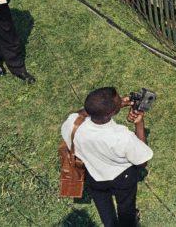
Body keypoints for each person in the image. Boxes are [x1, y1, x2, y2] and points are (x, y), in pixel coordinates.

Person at [61, 87, 152, 226]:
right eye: (119, 101)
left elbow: (82, 113)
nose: (122, 99)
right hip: (122, 178)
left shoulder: (72, 123)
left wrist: (117, 104)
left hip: (94, 175)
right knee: (125, 207)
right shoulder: (121, 136)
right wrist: (139, 123)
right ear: (110, 113)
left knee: (103, 206)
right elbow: (142, 161)